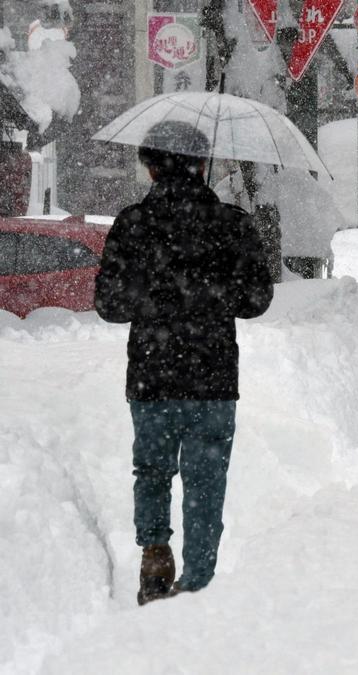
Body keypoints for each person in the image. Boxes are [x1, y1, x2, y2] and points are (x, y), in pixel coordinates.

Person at [95, 120, 274, 605]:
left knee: (151, 471)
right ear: (200, 166)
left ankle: (155, 549)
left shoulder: (132, 223)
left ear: (149, 166)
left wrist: (155, 295)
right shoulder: (232, 224)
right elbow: (257, 299)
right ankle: (197, 580)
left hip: (152, 375)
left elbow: (109, 305)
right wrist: (210, 291)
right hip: (213, 378)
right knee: (206, 481)